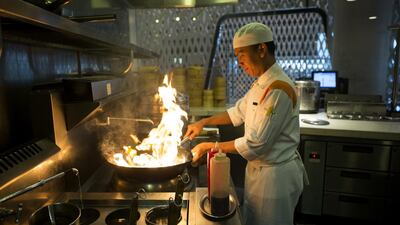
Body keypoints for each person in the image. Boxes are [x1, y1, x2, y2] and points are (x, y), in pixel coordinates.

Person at [184, 22, 308, 225]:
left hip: (274, 178)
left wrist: (210, 146)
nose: (239, 61)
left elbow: (256, 144)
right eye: (236, 55)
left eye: (242, 53)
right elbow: (237, 112)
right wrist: (203, 123)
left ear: (261, 49)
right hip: (258, 174)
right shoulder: (261, 83)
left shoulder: (279, 88)